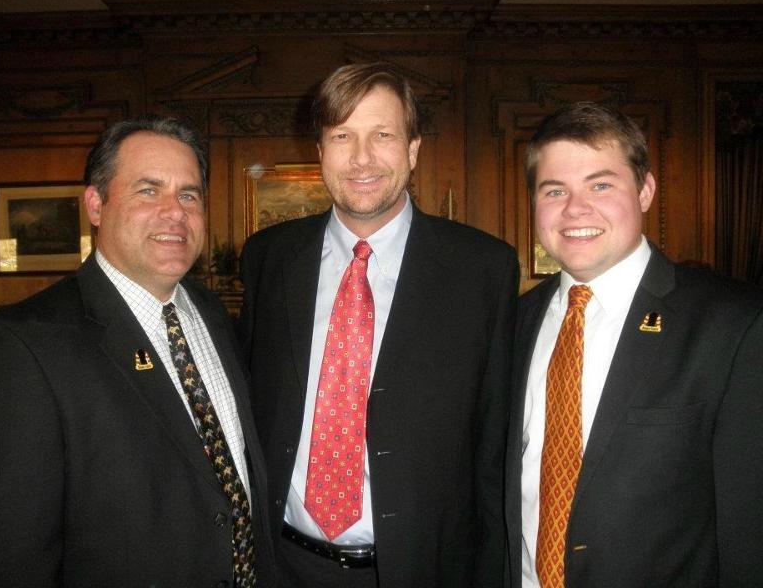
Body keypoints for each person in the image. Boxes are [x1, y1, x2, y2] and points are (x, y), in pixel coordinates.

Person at [237, 62, 518, 588]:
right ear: (319, 151)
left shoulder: (482, 269)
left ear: (412, 149)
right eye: (342, 136)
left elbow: (493, 445)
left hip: (421, 569)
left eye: (382, 135)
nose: (361, 158)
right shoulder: (269, 258)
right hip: (283, 564)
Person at [0, 117, 276, 587]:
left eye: (188, 195)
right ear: (96, 203)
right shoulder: (20, 349)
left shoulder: (213, 314)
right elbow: (4, 557)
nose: (175, 213)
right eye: (148, 191)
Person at [506, 102, 763, 588]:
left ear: (645, 190)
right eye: (554, 190)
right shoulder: (511, 323)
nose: (575, 208)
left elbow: (749, 524)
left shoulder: (734, 325)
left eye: (601, 185)